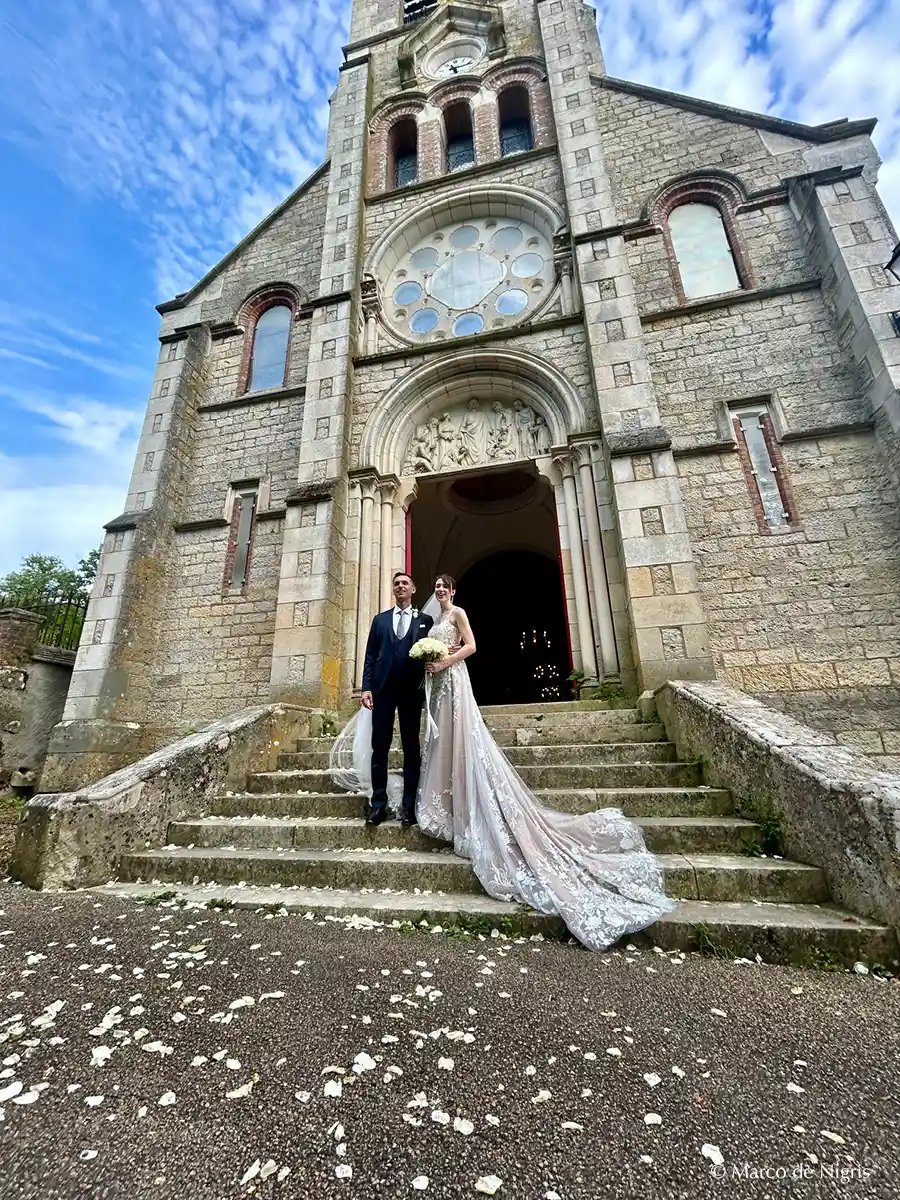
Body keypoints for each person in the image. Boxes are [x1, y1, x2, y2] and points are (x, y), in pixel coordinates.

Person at [415, 573, 676, 951]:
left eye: (445, 587)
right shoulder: (433, 622)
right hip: (438, 685)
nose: (440, 591)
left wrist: (445, 662)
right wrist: (430, 664)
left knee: (462, 742)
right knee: (442, 744)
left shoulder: (457, 614)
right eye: (436, 587)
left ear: (453, 592)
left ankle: (470, 808)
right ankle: (448, 806)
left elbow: (472, 646)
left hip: (454, 680)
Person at [360, 571, 434, 828]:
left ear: (413, 589)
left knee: (411, 748)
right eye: (396, 584)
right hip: (383, 690)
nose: (400, 586)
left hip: (411, 691)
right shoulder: (380, 621)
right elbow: (370, 656)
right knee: (379, 747)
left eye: (405, 583)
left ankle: (409, 807)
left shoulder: (425, 620)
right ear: (393, 590)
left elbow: (433, 654)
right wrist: (366, 688)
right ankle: (377, 805)